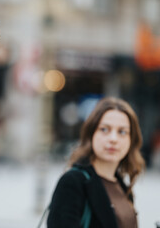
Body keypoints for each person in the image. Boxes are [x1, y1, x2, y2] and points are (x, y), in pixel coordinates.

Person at [47, 97, 145, 228]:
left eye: (122, 132)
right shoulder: (73, 182)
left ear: (131, 140)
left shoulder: (122, 186)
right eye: (104, 129)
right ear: (91, 134)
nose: (113, 139)